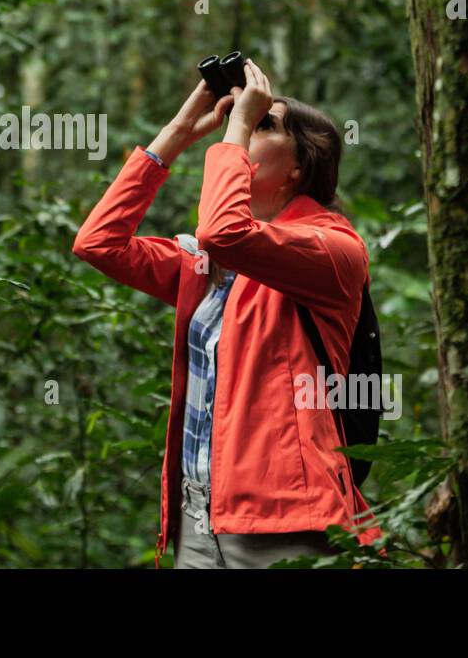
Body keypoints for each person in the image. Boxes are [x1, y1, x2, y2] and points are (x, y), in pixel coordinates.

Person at [72, 58, 383, 568]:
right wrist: (178, 132)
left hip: (284, 517)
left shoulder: (332, 249)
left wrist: (235, 127)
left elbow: (224, 230)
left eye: (265, 123)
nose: (245, 120)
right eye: (249, 118)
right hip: (200, 515)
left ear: (300, 166)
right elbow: (98, 243)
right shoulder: (208, 263)